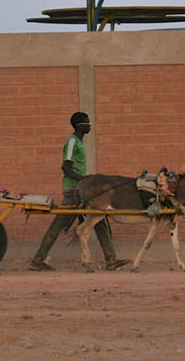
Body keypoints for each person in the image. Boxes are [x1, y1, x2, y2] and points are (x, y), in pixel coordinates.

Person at [29, 111, 129, 271]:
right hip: (72, 192)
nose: (90, 125)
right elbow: (66, 168)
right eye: (87, 123)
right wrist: (84, 180)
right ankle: (37, 261)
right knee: (59, 225)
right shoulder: (71, 143)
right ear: (79, 125)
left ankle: (111, 260)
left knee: (100, 221)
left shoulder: (80, 143)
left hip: (82, 191)